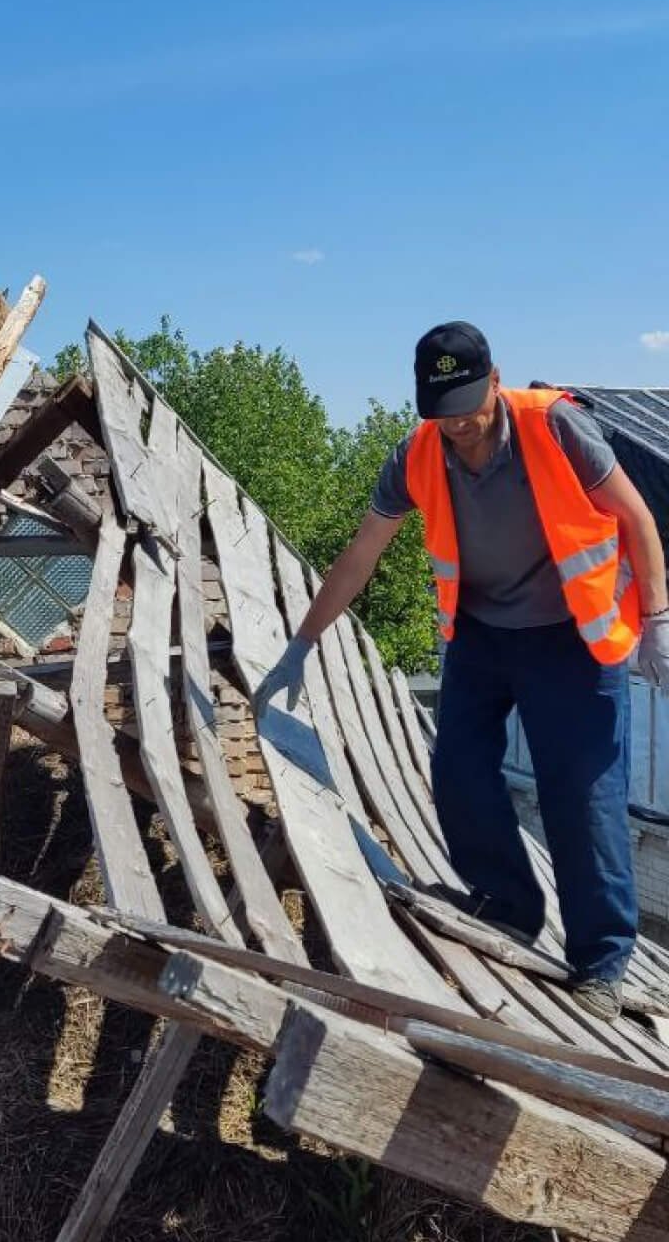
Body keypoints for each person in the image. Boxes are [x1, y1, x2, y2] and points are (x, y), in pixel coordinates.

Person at [253, 322, 669, 1020]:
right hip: (482, 635)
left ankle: (601, 962)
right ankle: (507, 907)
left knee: (583, 799)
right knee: (458, 771)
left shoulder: (558, 427)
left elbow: (637, 519)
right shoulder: (416, 454)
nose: (458, 425)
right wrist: (303, 643)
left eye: (469, 407)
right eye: (442, 412)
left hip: (572, 640)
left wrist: (656, 621)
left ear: (495, 380)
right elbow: (361, 555)